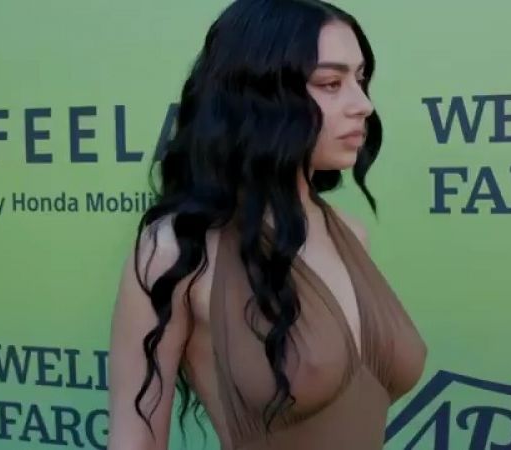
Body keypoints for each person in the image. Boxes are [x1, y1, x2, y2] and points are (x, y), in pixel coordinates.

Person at [107, 0, 427, 448]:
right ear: (257, 96)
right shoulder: (176, 249)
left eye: (361, 79)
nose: (363, 105)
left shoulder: (351, 233)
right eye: (331, 83)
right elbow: (134, 440)